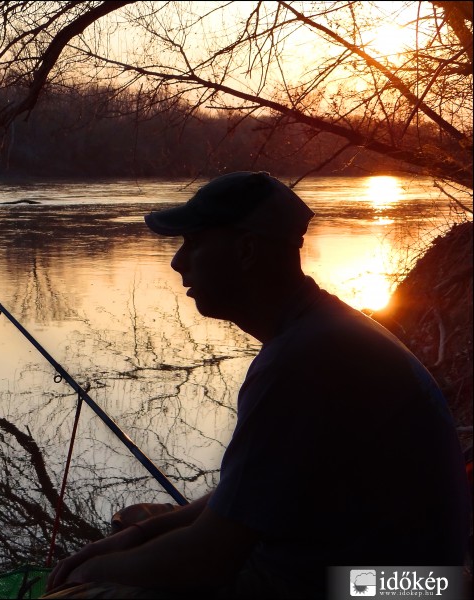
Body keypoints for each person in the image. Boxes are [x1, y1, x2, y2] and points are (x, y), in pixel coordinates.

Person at [44, 172, 470, 599]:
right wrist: (136, 536)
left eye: (193, 242)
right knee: (138, 520)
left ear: (246, 249)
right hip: (417, 581)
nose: (178, 262)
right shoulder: (323, 330)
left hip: (380, 588)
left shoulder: (302, 360)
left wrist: (91, 573)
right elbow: (246, 494)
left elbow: (208, 559)